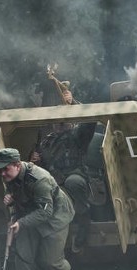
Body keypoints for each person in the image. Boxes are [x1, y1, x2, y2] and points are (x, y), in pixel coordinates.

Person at [0, 148, 77, 270]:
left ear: (17, 165)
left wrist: (21, 223)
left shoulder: (40, 179)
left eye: (5, 169)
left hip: (54, 218)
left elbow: (45, 212)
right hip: (29, 217)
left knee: (52, 261)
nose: (2, 173)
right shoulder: (11, 175)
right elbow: (19, 193)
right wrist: (11, 198)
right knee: (23, 258)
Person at [30, 103, 96, 252]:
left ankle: (83, 221)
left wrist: (73, 103)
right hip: (53, 179)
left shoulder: (78, 136)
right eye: (57, 122)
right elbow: (42, 166)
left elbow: (90, 119)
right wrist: (35, 160)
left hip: (74, 175)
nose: (59, 125)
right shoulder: (46, 141)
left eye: (63, 121)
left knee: (74, 182)